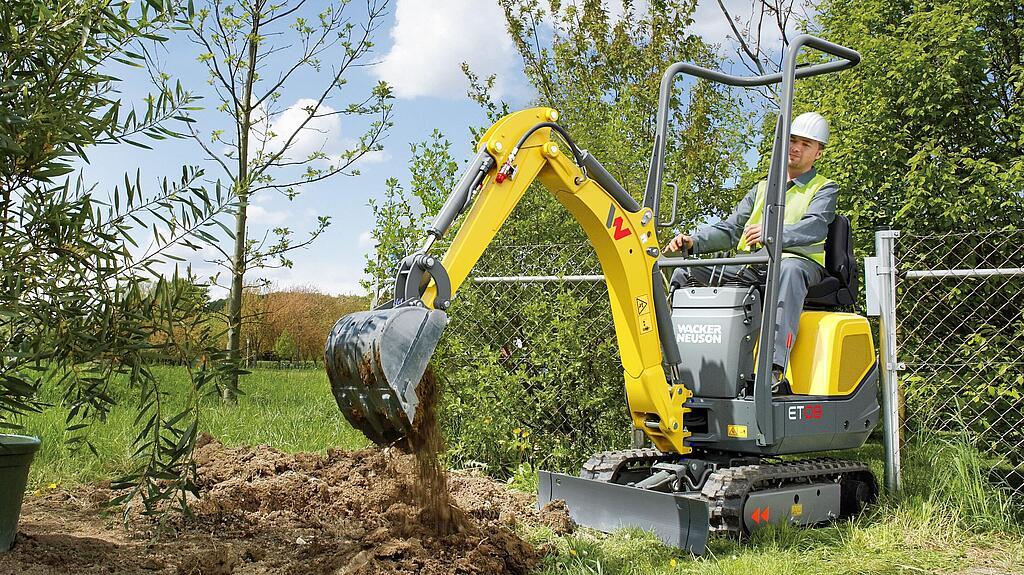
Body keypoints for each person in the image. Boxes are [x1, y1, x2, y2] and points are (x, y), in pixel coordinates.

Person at [664, 112, 837, 394]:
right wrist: (693, 241)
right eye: (793, 140)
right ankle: (675, 364)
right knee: (686, 272)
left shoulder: (824, 188)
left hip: (797, 264)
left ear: (818, 153)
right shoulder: (761, 189)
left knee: (789, 270)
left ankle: (773, 368)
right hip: (753, 265)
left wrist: (774, 233)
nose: (796, 148)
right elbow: (731, 229)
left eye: (806, 144)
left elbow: (816, 226)